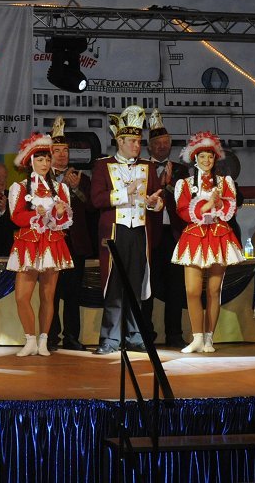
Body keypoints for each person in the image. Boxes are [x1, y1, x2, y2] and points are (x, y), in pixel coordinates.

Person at [90, 105, 165, 355]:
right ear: (119, 141)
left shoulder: (148, 166)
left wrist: (154, 203)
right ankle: (110, 339)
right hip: (115, 232)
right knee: (114, 285)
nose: (136, 145)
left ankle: (135, 336)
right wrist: (125, 193)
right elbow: (97, 199)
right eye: (132, 141)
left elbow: (157, 200)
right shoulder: (103, 166)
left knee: (135, 284)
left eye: (138, 141)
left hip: (139, 232)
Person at [171, 131, 245, 354]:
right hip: (194, 236)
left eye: (210, 156)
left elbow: (229, 210)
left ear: (215, 159)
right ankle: (197, 338)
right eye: (202, 156)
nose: (206, 160)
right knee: (192, 290)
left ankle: (209, 338)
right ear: (195, 158)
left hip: (219, 236)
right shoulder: (184, 184)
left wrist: (218, 202)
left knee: (213, 290)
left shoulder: (225, 182)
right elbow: (184, 212)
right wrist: (207, 204)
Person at [7, 133, 74, 357]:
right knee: (21, 296)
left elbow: (63, 222)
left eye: (47, 159)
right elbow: (16, 217)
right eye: (40, 159)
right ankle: (30, 340)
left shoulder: (61, 189)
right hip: (28, 244)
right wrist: (35, 214)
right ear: (31, 161)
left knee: (48, 297)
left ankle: (44, 340)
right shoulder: (19, 187)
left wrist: (58, 213)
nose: (45, 163)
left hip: (51, 245)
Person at [46, 116, 95, 352]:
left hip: (75, 244)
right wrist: (61, 188)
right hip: (51, 243)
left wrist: (74, 189)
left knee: (73, 294)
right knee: (51, 292)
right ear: (49, 153)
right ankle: (51, 335)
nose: (62, 155)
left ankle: (72, 337)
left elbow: (92, 206)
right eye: (57, 151)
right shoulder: (42, 178)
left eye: (65, 150)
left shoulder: (81, 178)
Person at [143, 109, 187, 347]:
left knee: (175, 287)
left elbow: (185, 201)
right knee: (147, 285)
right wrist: (162, 186)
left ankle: (174, 334)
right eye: (158, 143)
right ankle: (146, 334)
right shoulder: (142, 168)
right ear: (149, 147)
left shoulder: (181, 170)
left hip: (174, 235)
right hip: (150, 234)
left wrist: (169, 186)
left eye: (166, 143)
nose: (162, 147)